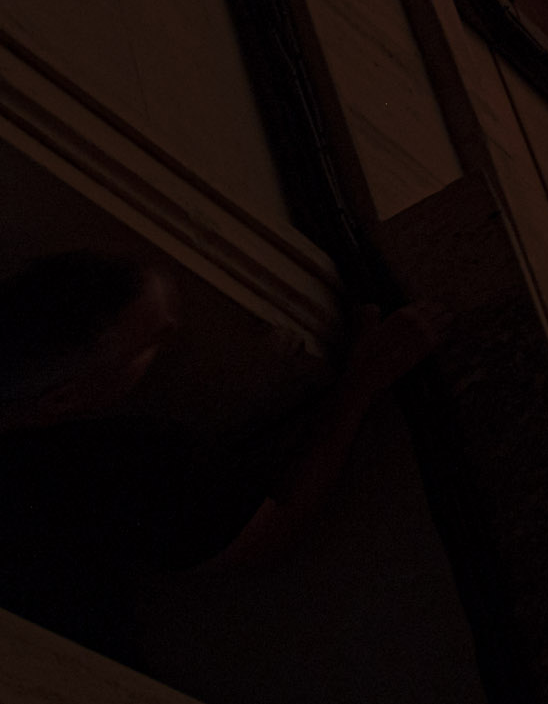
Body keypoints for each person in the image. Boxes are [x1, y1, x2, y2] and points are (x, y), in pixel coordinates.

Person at [0, 251, 445, 673]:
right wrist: (362, 383)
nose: (171, 336)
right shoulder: (119, 468)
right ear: (64, 397)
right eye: (148, 344)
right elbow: (273, 526)